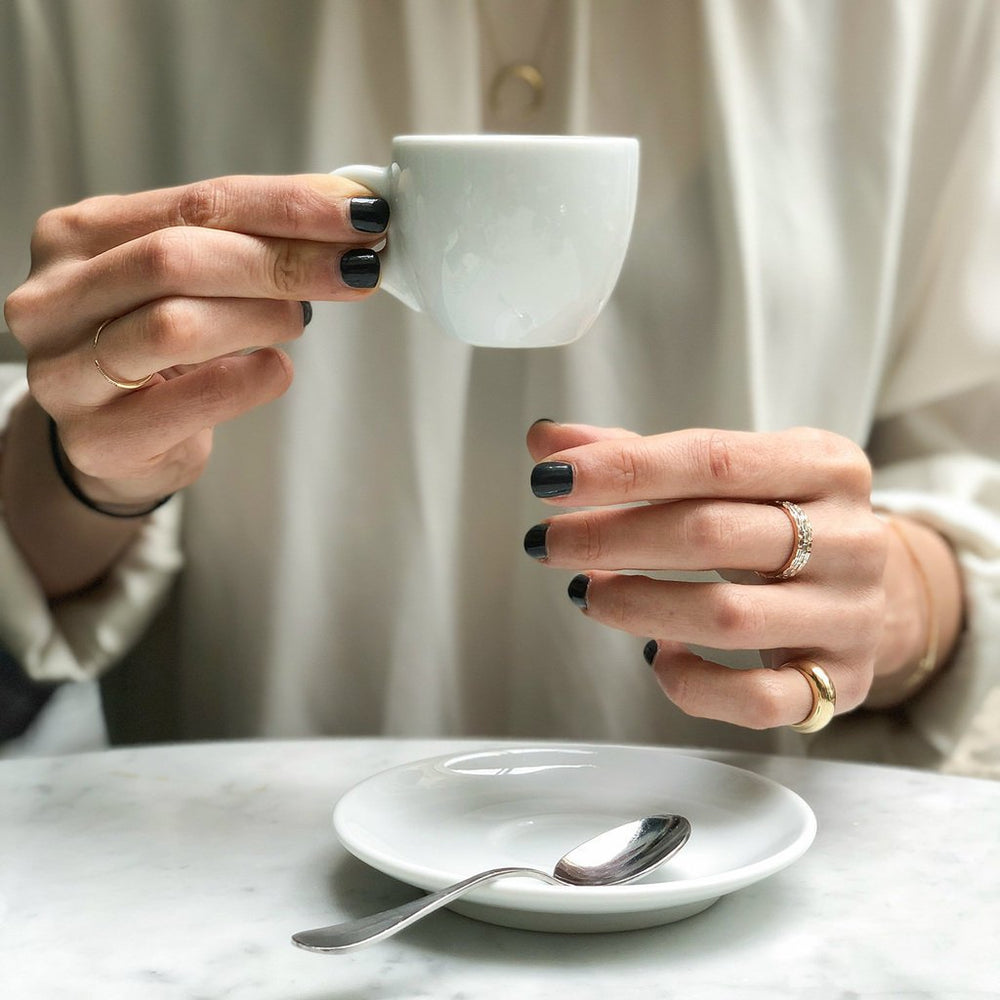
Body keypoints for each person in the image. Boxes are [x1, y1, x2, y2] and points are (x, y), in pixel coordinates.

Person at [1, 0, 998, 774]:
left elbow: (962, 463)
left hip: (750, 885)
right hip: (233, 891)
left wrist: (904, 595)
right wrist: (82, 468)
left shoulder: (933, 25)